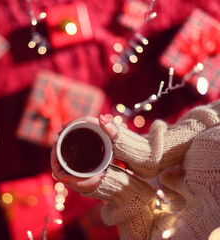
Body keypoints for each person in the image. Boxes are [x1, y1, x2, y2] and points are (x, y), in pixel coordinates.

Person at [51, 100, 220, 239]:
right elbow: (212, 116)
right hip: (136, 163)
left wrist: (123, 194)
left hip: (124, 216)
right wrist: (151, 153)